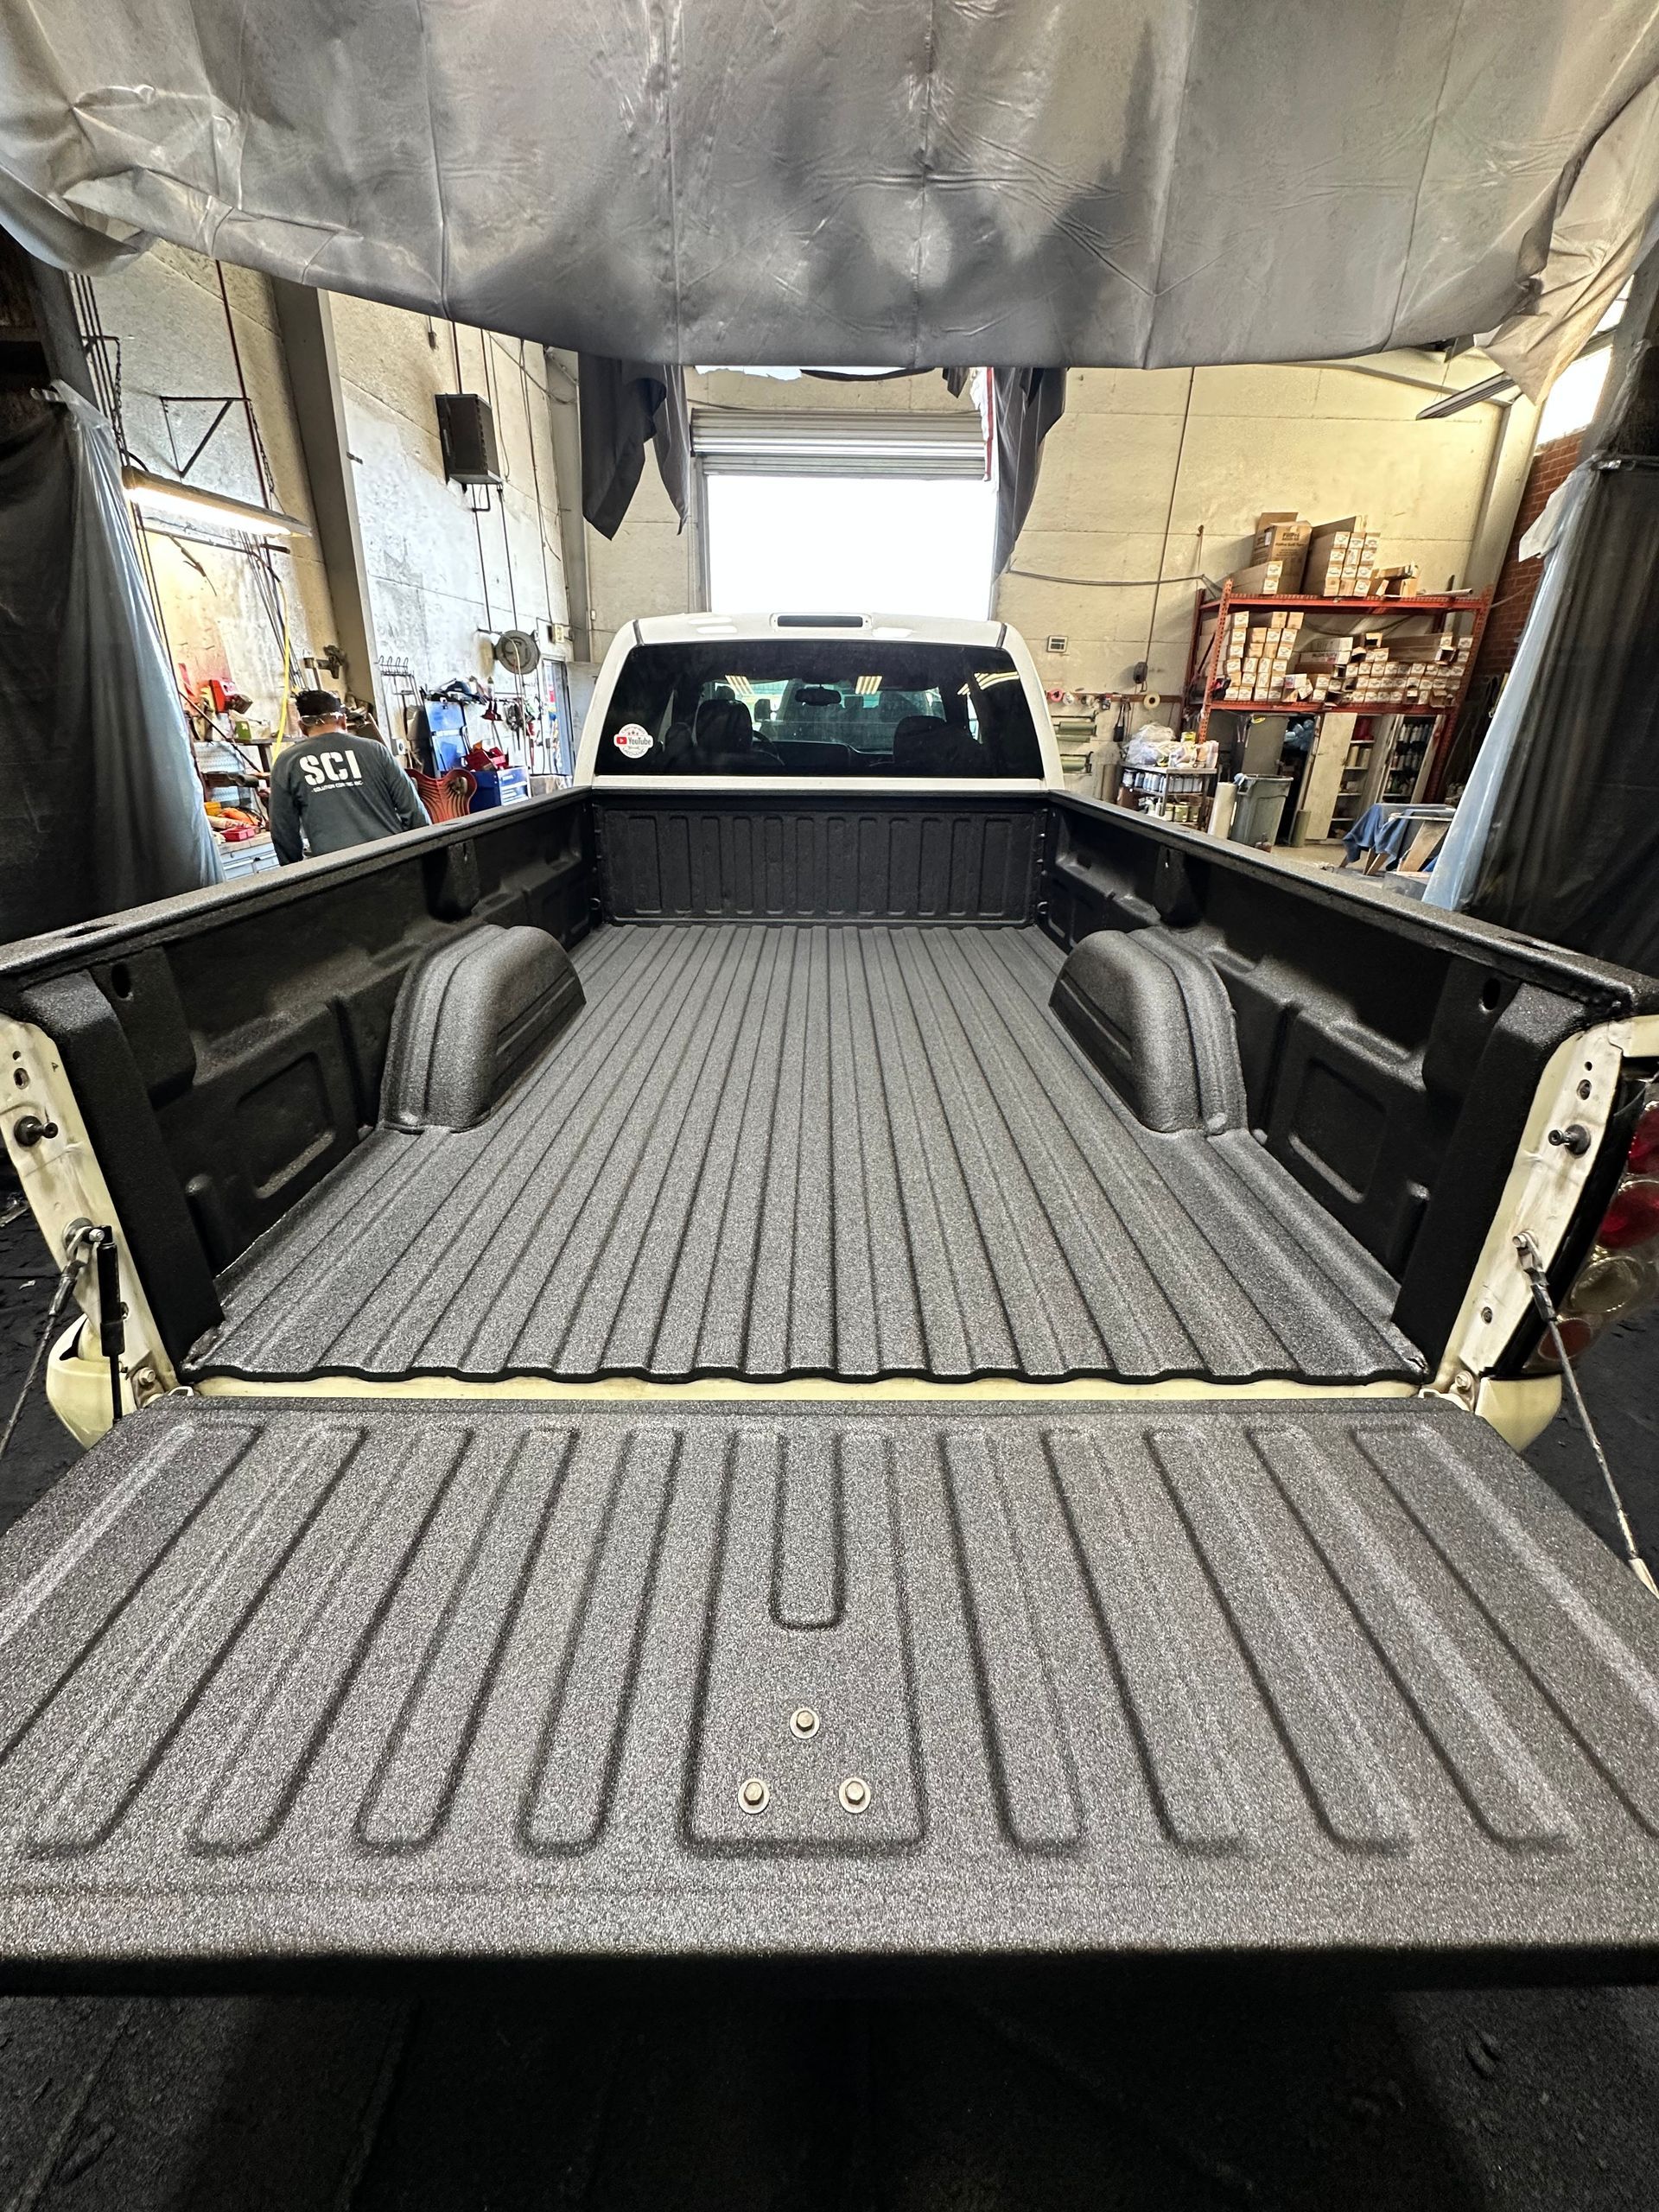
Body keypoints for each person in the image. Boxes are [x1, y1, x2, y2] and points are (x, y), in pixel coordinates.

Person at [268, 690, 429, 864]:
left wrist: (296, 876)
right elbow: (414, 811)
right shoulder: (375, 750)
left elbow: (283, 831)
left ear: (302, 726)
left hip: (336, 873)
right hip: (391, 862)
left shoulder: (287, 762)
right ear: (343, 720)